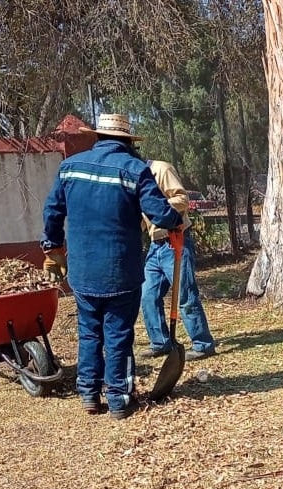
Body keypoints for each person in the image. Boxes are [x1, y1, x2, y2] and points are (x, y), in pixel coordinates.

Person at [41, 113, 183, 419]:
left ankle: (89, 395)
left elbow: (52, 211)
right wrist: (177, 220)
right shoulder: (135, 169)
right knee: (118, 333)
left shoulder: (69, 168)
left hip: (81, 270)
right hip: (121, 270)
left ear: (98, 138)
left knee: (90, 331)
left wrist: (53, 249)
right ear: (127, 142)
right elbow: (159, 213)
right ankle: (118, 398)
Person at [139, 159, 216, 362]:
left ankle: (203, 344)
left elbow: (182, 199)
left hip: (175, 239)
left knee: (185, 295)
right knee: (147, 295)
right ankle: (160, 342)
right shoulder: (135, 177)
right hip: (155, 244)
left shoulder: (161, 170)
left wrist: (154, 205)